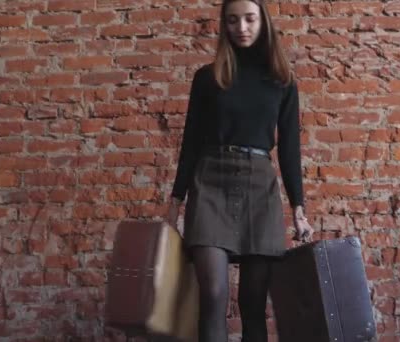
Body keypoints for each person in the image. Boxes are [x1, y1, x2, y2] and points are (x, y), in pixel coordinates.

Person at [166, 1, 313, 341]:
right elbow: (190, 143)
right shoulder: (208, 77)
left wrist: (299, 211)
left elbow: (290, 148)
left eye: (249, 19)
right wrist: (174, 203)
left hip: (259, 185)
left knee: (252, 301)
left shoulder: (282, 80)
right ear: (224, 26)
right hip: (211, 182)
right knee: (214, 294)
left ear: (263, 22)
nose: (241, 27)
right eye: (232, 21)